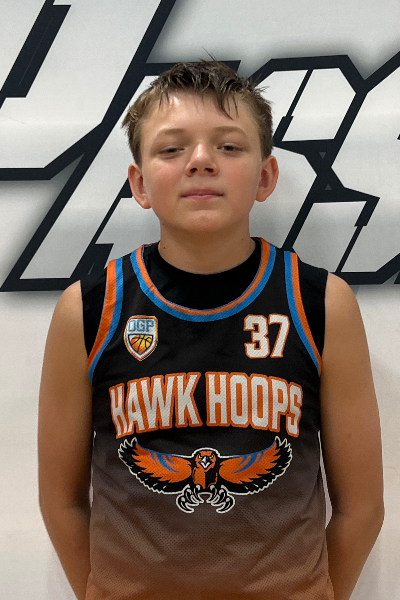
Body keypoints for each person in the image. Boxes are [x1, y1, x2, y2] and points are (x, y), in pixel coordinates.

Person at [38, 60, 384, 600]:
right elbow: (60, 501)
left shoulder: (321, 304)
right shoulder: (88, 309)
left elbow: (362, 508)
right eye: (172, 149)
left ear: (265, 177)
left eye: (228, 146)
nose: (201, 161)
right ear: (140, 184)